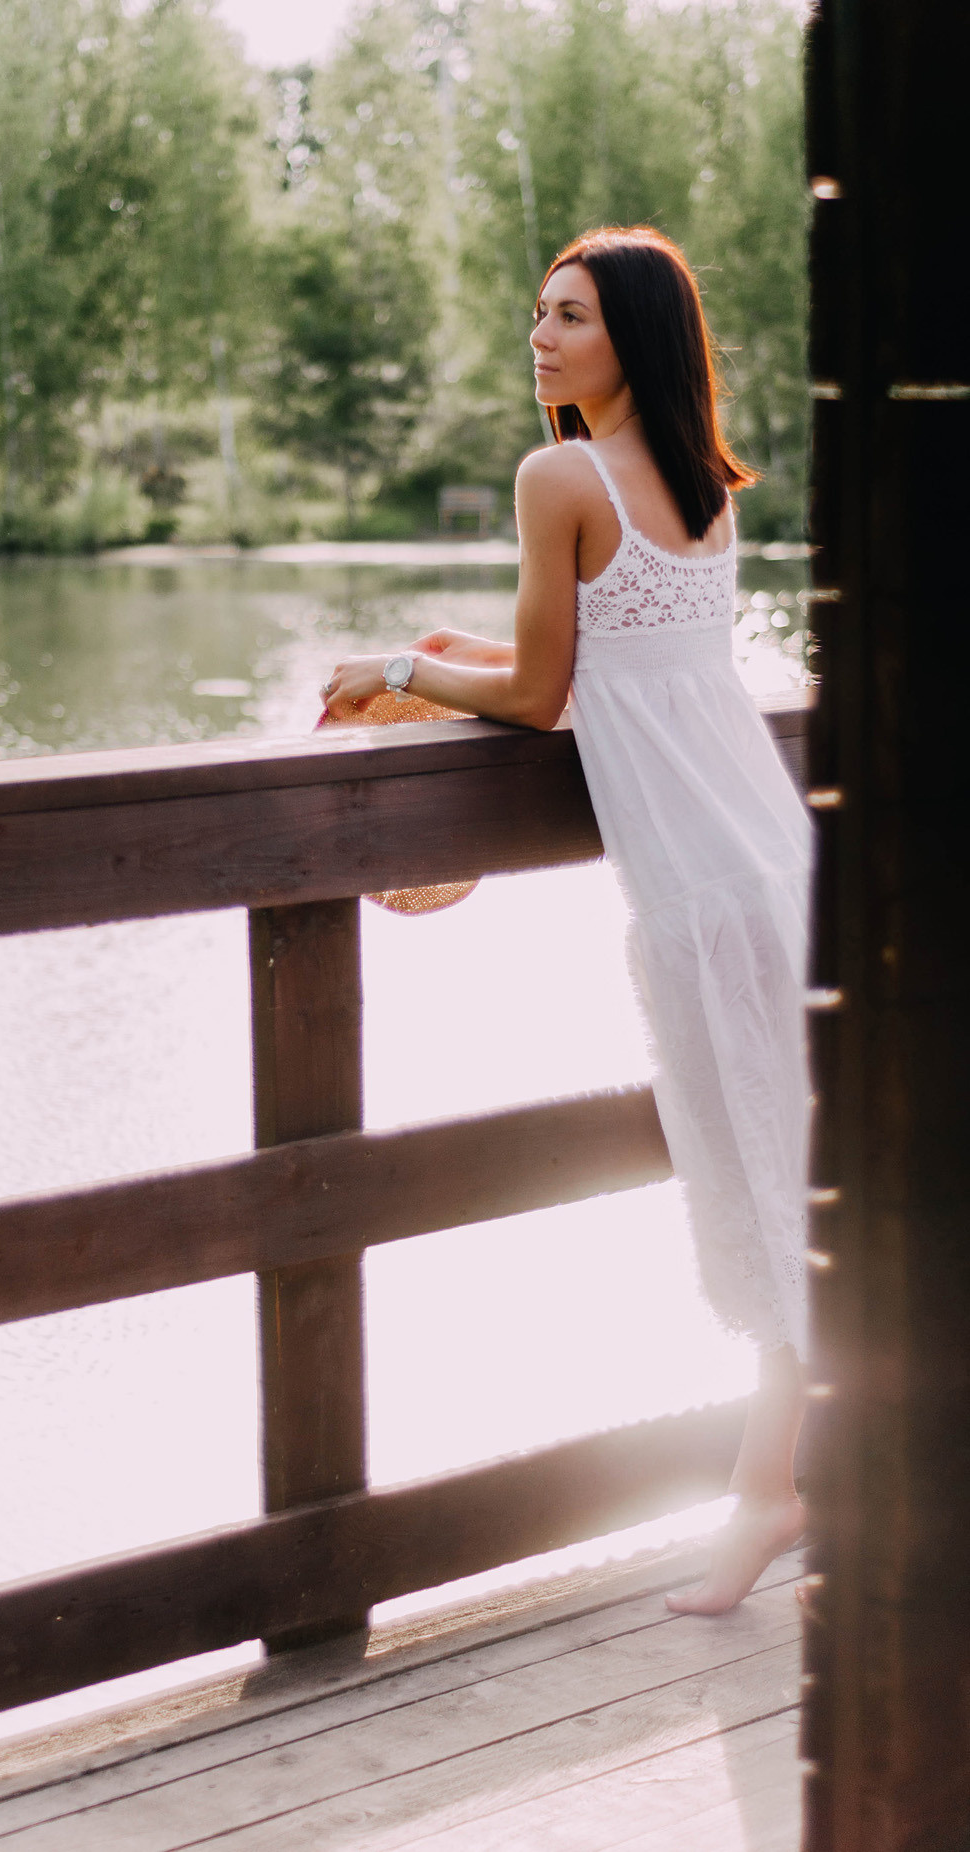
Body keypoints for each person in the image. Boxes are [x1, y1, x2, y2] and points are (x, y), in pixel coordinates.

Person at [321, 225, 811, 1615]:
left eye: (572, 315)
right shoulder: (705, 486)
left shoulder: (557, 477)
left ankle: (769, 1493)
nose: (539, 337)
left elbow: (543, 698)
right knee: (807, 1199)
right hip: (777, 870)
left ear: (633, 336)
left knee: (771, 1209)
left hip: (707, 908)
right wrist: (448, 654)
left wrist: (399, 664)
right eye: (535, 312)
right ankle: (796, 1479)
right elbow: (610, 666)